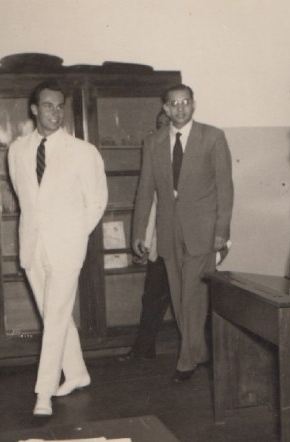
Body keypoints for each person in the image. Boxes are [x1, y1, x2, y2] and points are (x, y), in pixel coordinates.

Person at [7, 80, 108, 416]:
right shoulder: (18, 150)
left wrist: (76, 234)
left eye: (60, 106)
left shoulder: (83, 151)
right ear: (34, 109)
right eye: (48, 106)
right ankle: (77, 373)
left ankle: (43, 392)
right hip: (33, 246)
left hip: (67, 247)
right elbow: (25, 198)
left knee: (54, 317)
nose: (55, 112)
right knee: (55, 315)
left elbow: (96, 202)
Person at [132, 84, 233, 382]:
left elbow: (225, 188)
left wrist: (222, 231)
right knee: (178, 297)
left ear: (193, 105)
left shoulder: (213, 137)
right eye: (173, 104)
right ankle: (199, 351)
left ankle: (186, 360)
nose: (179, 108)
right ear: (165, 108)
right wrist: (139, 231)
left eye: (185, 102)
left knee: (192, 295)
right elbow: (144, 191)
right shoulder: (153, 142)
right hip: (167, 231)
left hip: (203, 232)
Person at [119, 110, 172, 362]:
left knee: (193, 302)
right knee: (152, 297)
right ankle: (143, 349)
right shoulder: (153, 155)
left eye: (167, 125)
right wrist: (144, 239)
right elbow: (147, 201)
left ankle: (201, 354)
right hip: (160, 243)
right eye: (158, 125)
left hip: (186, 245)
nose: (161, 131)